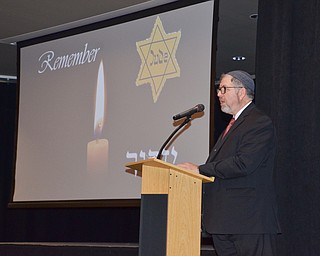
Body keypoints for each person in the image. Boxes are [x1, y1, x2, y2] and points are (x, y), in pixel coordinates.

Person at [178, 70, 281, 256]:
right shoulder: (234, 124)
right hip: (224, 220)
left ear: (241, 92)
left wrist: (200, 169)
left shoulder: (258, 122)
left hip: (248, 221)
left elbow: (244, 163)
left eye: (224, 89)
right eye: (219, 89)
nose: (218, 94)